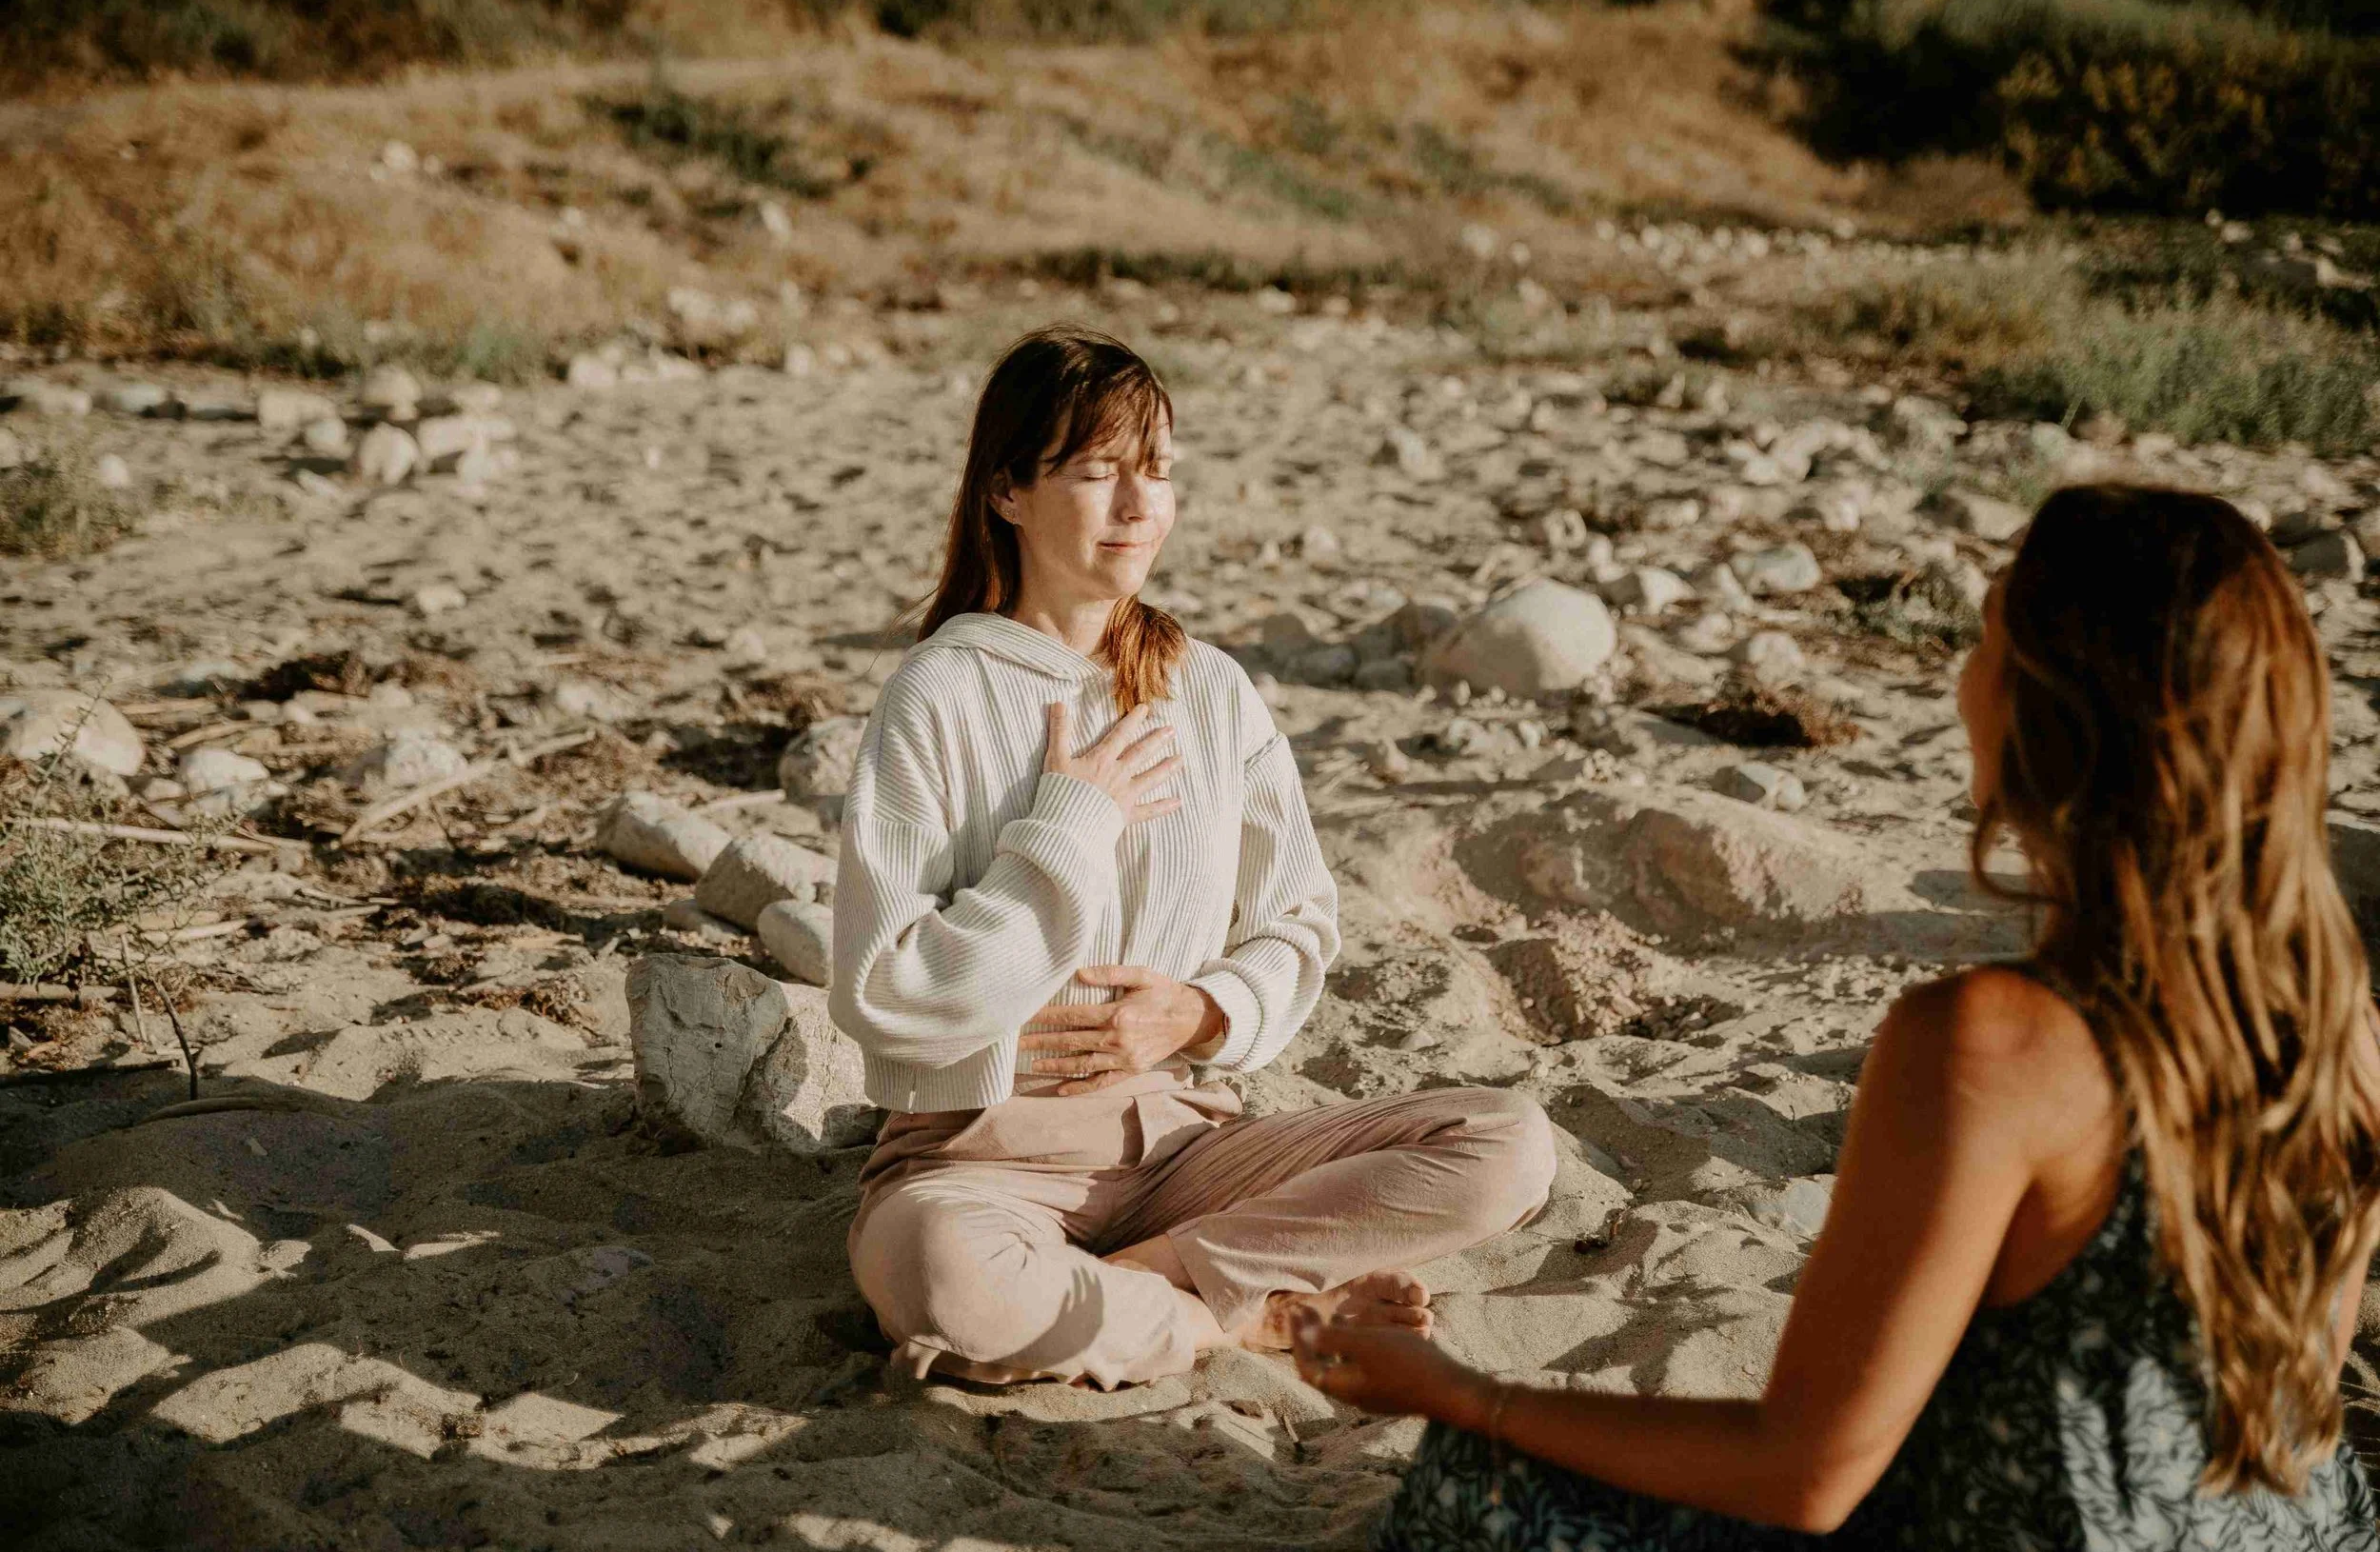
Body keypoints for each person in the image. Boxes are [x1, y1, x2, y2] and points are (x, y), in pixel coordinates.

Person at [1296, 484, 2380, 1548]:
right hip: (2288, 1526)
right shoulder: (2339, 1023)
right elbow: (2291, 1387)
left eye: (1989, 639)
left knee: (1475, 1488)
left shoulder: (1989, 1040)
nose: (1965, 677)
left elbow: (1805, 1472)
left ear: (2055, 710)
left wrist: (1462, 1394)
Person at [829, 324, 1557, 1390]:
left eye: (1158, 472)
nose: (1139, 507)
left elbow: (1299, 917)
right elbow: (882, 990)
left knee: (1507, 1142)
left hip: (1184, 1151)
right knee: (946, 1281)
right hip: (974, 1159)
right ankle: (1242, 1317)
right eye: (1096, 472)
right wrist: (1068, 825)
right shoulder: (937, 693)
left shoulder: (1208, 690)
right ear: (1005, 493)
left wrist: (1202, 1012)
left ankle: (1159, 1282)